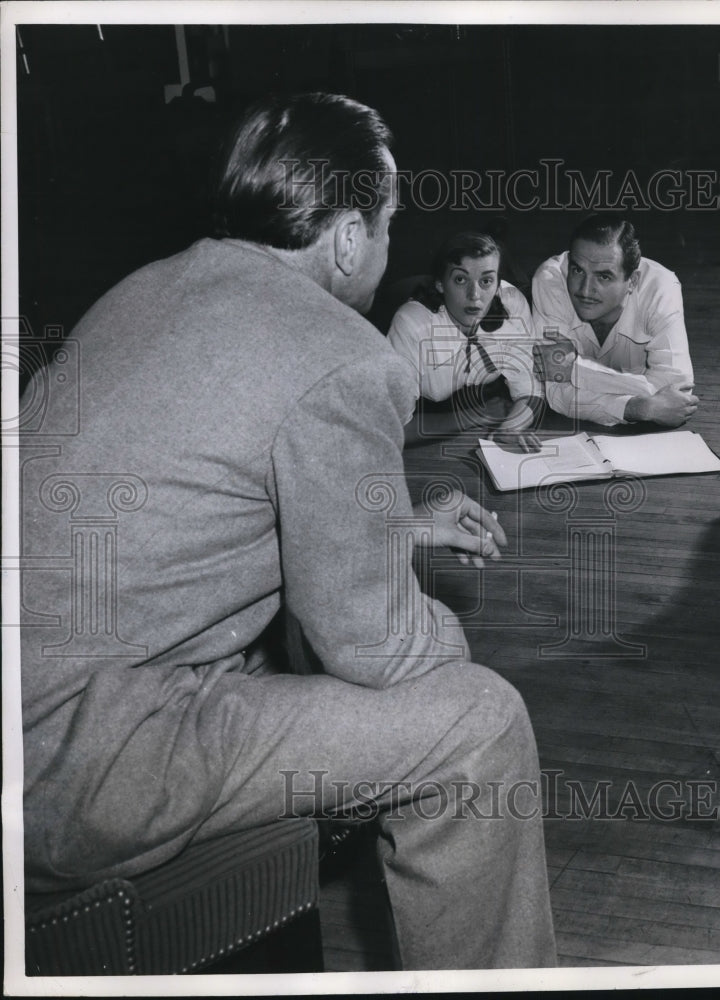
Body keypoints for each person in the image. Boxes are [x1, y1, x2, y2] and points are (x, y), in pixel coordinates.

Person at [19, 93, 556, 971]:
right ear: (347, 238)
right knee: (479, 723)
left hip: (33, 704)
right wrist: (445, 640)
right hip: (74, 765)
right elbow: (376, 647)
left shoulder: (143, 288)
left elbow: (182, 503)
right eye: (387, 226)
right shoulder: (343, 353)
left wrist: (398, 527)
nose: (388, 250)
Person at [531, 213, 699, 427]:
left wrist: (575, 369)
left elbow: (677, 392)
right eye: (577, 270)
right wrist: (641, 408)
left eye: (604, 276)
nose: (585, 290)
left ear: (632, 282)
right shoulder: (550, 280)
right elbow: (557, 394)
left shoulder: (660, 289)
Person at [387, 231, 544, 446]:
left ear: (497, 285)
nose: (474, 295)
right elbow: (394, 428)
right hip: (430, 422)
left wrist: (511, 428)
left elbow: (529, 388)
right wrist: (474, 415)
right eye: (460, 279)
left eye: (486, 281)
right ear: (441, 284)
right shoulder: (412, 324)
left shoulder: (511, 305)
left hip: (490, 405)